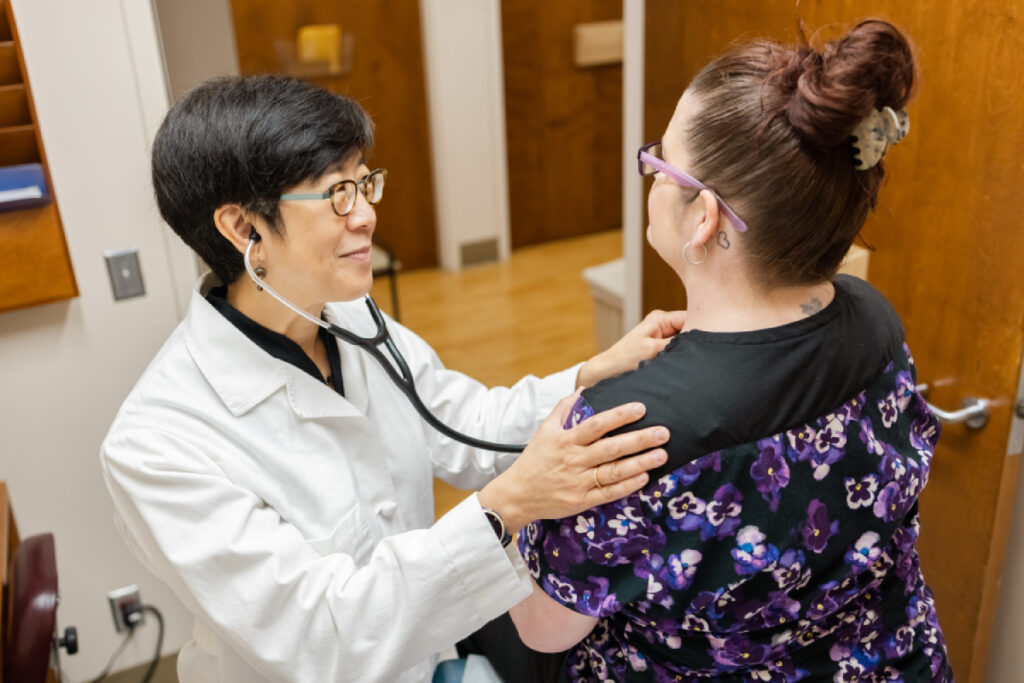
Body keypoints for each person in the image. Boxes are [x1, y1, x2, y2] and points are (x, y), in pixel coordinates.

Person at [99, 74, 686, 683]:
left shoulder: (346, 315)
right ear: (245, 230)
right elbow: (323, 636)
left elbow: (462, 425)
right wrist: (510, 505)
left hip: (425, 654)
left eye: (365, 183)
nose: (368, 215)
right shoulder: (156, 445)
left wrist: (592, 373)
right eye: (338, 195)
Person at [511, 19, 952, 681]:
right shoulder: (876, 320)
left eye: (658, 160)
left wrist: (527, 493)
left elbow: (541, 628)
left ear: (705, 216)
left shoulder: (622, 428)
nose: (650, 173)